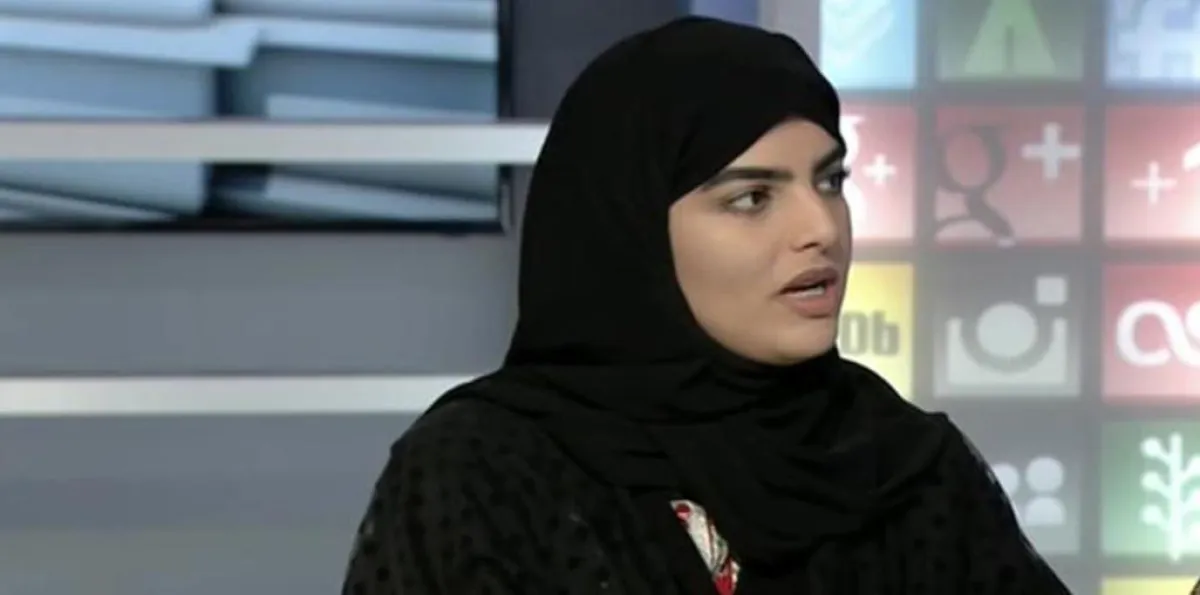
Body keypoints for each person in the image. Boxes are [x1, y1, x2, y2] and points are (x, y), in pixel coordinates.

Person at [341, 16, 1070, 595]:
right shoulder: (484, 471)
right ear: (631, 234)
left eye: (829, 181)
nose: (820, 227)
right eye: (752, 198)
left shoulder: (903, 464)